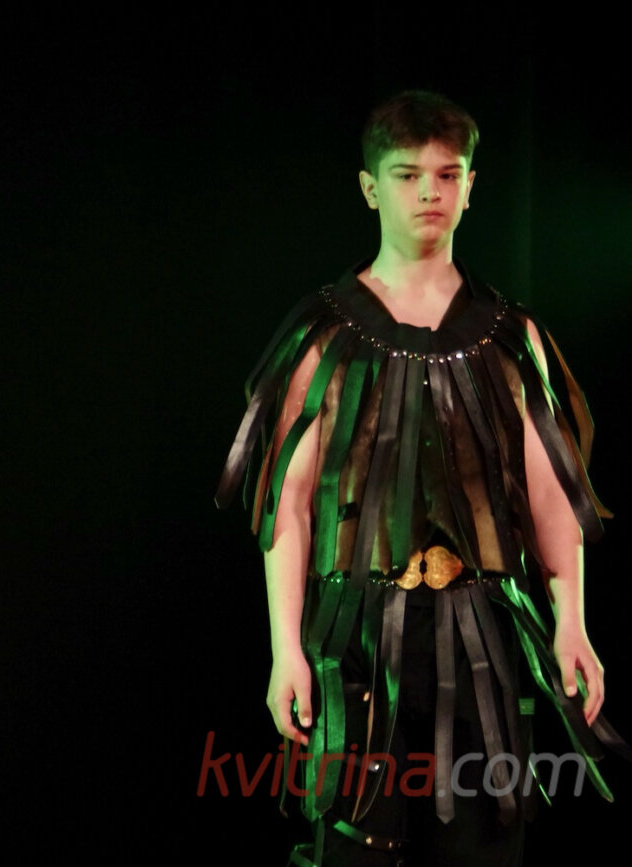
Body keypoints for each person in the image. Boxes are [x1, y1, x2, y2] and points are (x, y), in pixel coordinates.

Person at [216, 90, 623, 866]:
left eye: (447, 173)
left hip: (484, 642)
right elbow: (287, 504)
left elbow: (553, 494)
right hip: (356, 642)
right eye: (408, 174)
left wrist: (571, 620)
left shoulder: (512, 335)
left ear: (471, 186)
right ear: (371, 188)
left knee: (482, 848)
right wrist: (285, 649)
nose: (429, 191)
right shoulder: (324, 334)